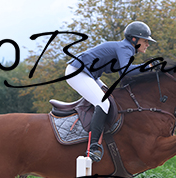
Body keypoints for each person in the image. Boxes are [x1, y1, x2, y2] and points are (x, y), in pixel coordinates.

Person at [65, 21, 156, 162]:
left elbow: (124, 77)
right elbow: (127, 71)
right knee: (103, 104)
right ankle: (93, 147)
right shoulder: (126, 48)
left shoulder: (125, 48)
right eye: (145, 41)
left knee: (111, 99)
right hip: (77, 72)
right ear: (134, 39)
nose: (147, 44)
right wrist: (148, 66)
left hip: (88, 74)